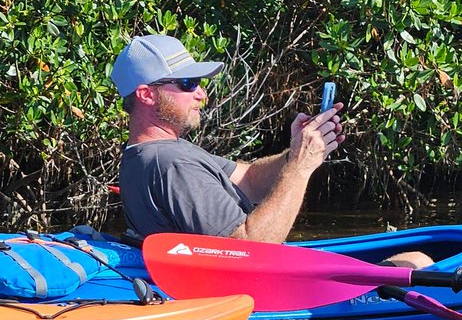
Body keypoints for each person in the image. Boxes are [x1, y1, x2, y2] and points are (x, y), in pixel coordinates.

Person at [111, 33, 344, 244]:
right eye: (187, 84)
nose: (201, 94)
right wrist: (300, 167)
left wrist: (295, 152)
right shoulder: (171, 163)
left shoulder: (159, 151)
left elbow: (249, 180)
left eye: (198, 82)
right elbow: (250, 247)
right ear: (146, 95)